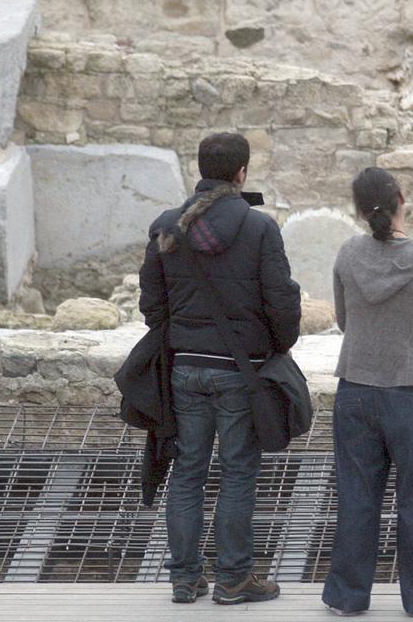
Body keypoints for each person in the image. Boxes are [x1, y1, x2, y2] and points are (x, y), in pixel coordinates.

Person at [139, 132, 302, 605]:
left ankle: (185, 579)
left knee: (187, 471)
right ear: (241, 174)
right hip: (240, 371)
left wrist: (182, 341)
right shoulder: (259, 228)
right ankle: (234, 578)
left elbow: (152, 305)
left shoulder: (166, 227)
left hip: (185, 370)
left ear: (201, 169)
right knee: (236, 473)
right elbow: (282, 302)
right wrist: (275, 348)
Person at [322, 167, 413, 618]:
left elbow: (346, 321)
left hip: (357, 389)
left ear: (359, 209)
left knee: (356, 498)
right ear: (402, 199)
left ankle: (348, 597)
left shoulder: (348, 254)